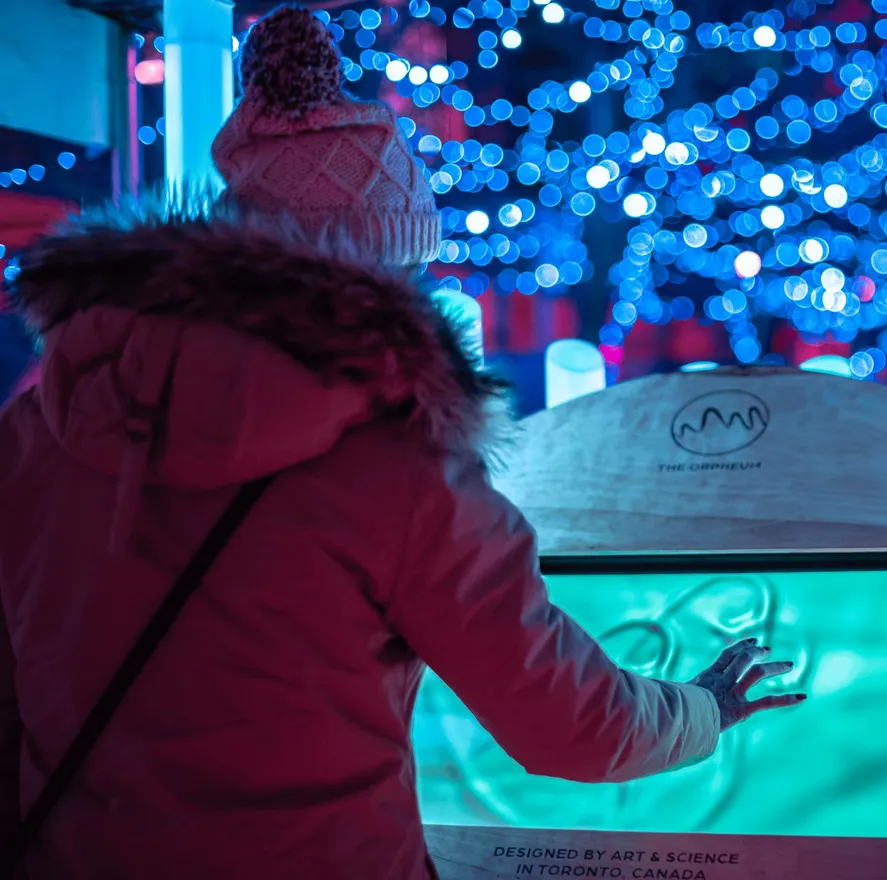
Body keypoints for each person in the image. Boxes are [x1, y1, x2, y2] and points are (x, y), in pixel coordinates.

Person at [0, 7, 801, 878]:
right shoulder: (401, 473)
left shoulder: (42, 425)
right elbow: (568, 723)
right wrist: (702, 708)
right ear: (377, 282)